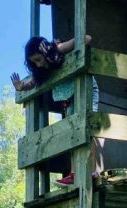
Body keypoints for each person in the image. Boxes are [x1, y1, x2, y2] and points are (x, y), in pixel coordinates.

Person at [11, 36, 104, 184]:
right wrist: (21, 87)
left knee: (87, 128)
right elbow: (33, 83)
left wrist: (67, 47)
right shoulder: (41, 71)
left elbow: (86, 38)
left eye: (38, 59)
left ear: (45, 51)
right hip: (69, 98)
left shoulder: (57, 50)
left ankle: (92, 171)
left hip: (84, 90)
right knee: (73, 132)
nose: (39, 64)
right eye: (34, 62)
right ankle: (74, 173)